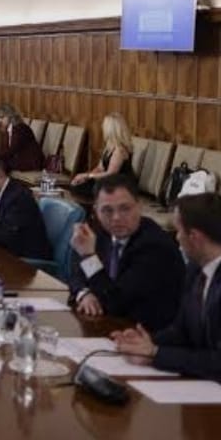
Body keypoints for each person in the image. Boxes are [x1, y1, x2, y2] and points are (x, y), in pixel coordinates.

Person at [113, 193, 221, 381]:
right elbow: (182, 331)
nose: (177, 238)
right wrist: (145, 342)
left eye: (178, 231)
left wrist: (156, 354)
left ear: (194, 237)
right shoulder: (196, 269)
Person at [68, 174, 185, 332]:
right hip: (113, 325)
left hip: (148, 334)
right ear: (96, 211)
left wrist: (89, 257)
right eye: (107, 210)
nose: (116, 218)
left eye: (125, 208)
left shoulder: (155, 246)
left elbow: (116, 303)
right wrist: (84, 293)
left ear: (139, 207)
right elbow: (76, 268)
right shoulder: (100, 231)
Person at [70, 113, 135, 198]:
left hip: (120, 186)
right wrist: (86, 178)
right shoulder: (109, 146)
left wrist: (87, 176)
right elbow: (100, 168)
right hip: (107, 182)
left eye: (104, 126)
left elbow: (110, 174)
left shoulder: (119, 150)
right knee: (76, 184)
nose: (102, 128)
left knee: (79, 188)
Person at [0, 104, 43, 172]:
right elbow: (6, 150)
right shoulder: (9, 129)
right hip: (19, 159)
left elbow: (13, 149)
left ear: (10, 116)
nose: (0, 120)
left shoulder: (21, 129)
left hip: (31, 162)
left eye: (2, 117)